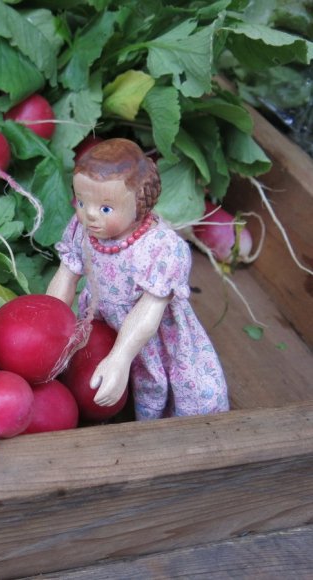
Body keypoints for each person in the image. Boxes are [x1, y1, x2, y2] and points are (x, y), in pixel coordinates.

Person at [46, 138, 229, 420]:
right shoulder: (82, 230)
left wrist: (120, 357)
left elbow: (149, 310)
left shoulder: (160, 247)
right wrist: (46, 326)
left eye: (106, 208)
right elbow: (65, 277)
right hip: (100, 321)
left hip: (148, 334)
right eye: (82, 202)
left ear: (141, 203)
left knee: (166, 385)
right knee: (94, 381)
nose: (90, 215)